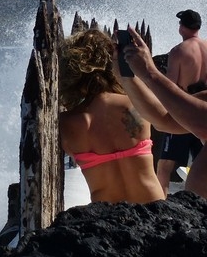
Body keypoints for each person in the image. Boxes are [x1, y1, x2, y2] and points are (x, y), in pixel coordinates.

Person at [59, 29, 165, 203]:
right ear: (112, 64)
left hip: (108, 216)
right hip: (154, 208)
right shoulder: (134, 105)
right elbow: (164, 116)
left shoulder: (67, 122)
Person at [119, 26, 207, 198]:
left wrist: (150, 72)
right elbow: (163, 120)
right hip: (199, 218)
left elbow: (201, 123)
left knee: (165, 165)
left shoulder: (179, 51)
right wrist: (128, 77)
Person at [155, 10, 207, 194]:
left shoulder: (178, 51)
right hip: (204, 113)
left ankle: (161, 205)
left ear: (181, 27)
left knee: (164, 167)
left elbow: (169, 88)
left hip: (183, 114)